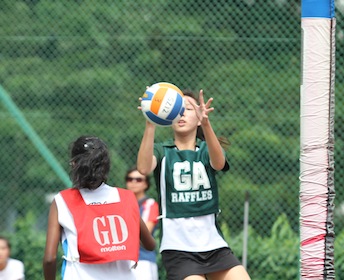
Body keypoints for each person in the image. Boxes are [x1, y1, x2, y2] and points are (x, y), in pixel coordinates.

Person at [137, 89, 250, 280]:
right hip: (178, 249)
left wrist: (206, 124)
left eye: (188, 109)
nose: (181, 113)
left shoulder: (206, 150)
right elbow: (143, 168)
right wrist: (150, 124)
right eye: (177, 109)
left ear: (198, 117)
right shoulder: (163, 151)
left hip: (214, 246)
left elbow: (219, 163)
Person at [43, 136, 155, 280]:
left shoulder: (62, 201)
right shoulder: (125, 197)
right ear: (106, 165)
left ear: (74, 164)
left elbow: (49, 258)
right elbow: (150, 245)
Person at [125, 167, 159, 280]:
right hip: (123, 261)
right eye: (130, 179)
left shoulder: (150, 204)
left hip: (143, 261)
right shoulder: (122, 204)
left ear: (146, 184)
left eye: (138, 179)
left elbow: (144, 234)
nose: (134, 182)